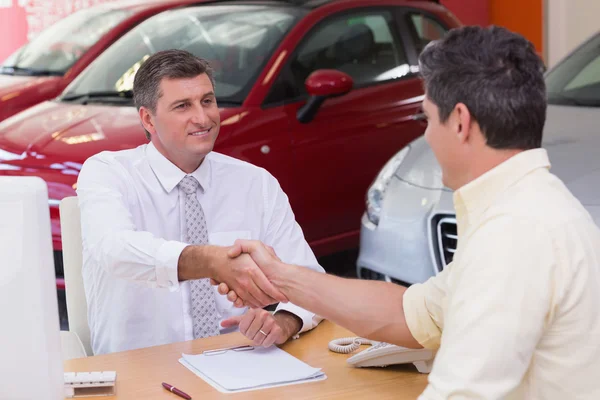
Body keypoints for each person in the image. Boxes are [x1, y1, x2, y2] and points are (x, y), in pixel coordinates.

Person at [220, 26, 600, 399]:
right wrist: (280, 277)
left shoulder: (515, 234)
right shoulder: (528, 207)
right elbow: (413, 314)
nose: (426, 136)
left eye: (428, 119)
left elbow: (462, 392)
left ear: (461, 122)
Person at [76, 49, 324, 355]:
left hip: (240, 363)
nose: (203, 117)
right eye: (183, 106)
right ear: (148, 119)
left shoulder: (254, 182)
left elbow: (309, 280)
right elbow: (114, 250)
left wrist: (284, 321)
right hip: (141, 368)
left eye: (207, 101)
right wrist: (210, 260)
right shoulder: (108, 172)